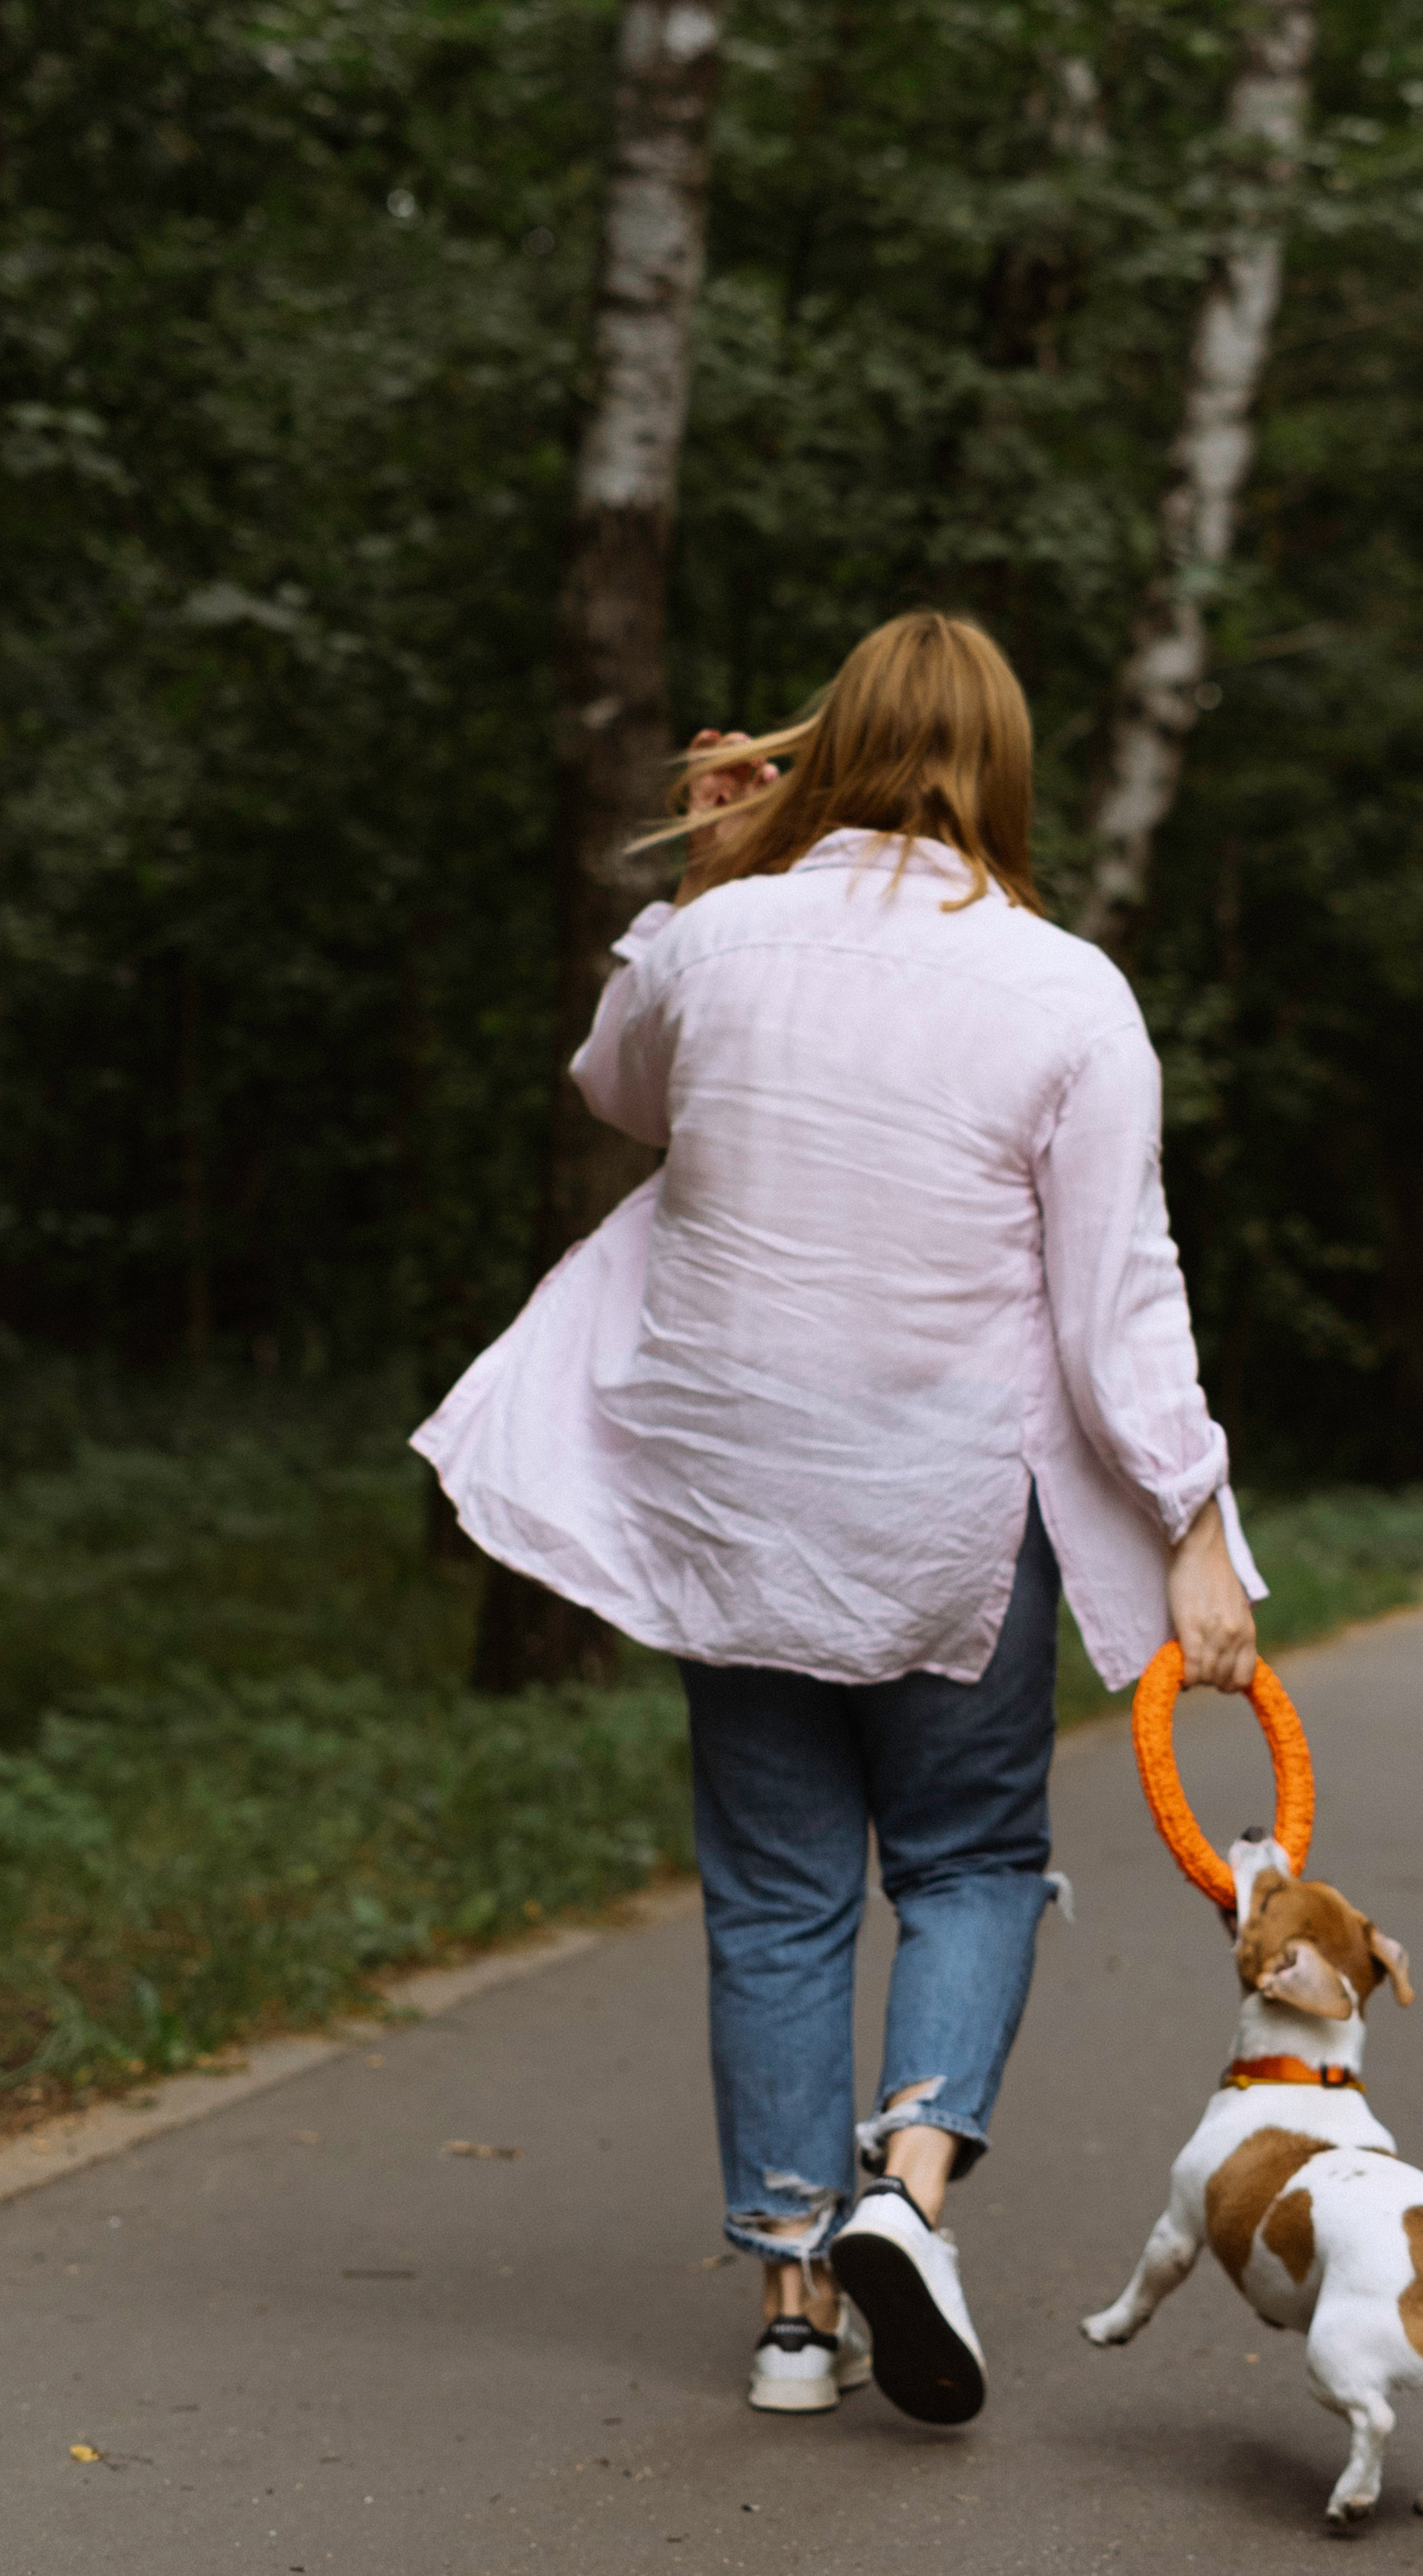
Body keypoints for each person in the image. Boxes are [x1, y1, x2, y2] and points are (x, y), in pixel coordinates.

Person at [414, 609, 1261, 2427]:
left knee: (777, 1896)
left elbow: (617, 1092)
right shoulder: (1063, 989)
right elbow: (1120, 1299)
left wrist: (716, 875)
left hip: (736, 1502)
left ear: (836, 744)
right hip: (950, 1506)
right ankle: (911, 2190)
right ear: (1003, 770)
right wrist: (1192, 1516)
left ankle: (798, 2305)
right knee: (963, 1865)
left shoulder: (712, 946)